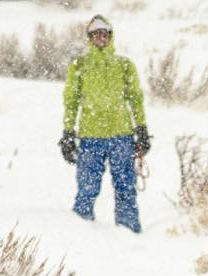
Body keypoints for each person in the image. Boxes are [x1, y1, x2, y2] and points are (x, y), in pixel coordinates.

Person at [59, 15, 150, 234]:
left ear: (111, 36)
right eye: (96, 34)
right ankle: (80, 231)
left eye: (104, 33)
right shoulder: (79, 66)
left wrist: (141, 128)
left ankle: (129, 232)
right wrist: (69, 133)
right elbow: (71, 101)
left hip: (122, 135)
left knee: (125, 186)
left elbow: (135, 98)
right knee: (87, 187)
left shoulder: (124, 65)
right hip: (91, 137)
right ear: (89, 38)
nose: (101, 38)